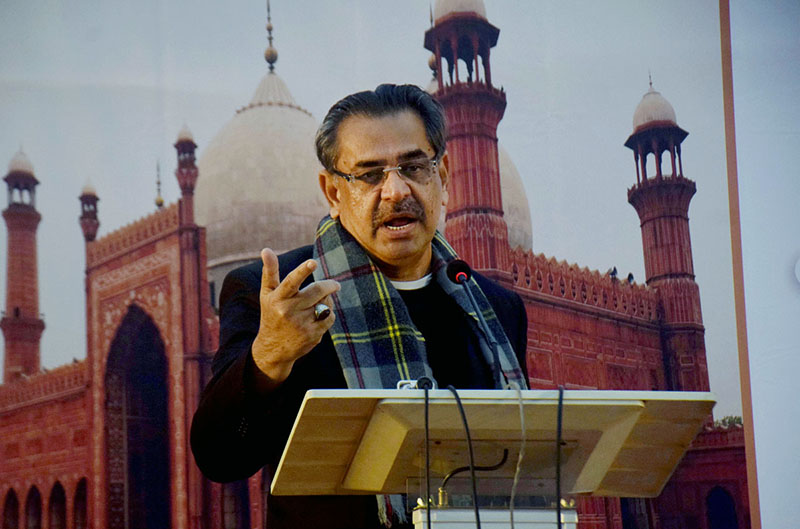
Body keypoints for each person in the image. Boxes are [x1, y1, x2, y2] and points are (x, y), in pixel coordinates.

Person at [191, 84, 529, 529]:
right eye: (369, 174)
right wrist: (267, 359)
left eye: (413, 167)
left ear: (442, 176)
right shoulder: (279, 298)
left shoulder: (494, 309)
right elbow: (220, 458)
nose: (394, 191)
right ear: (332, 193)